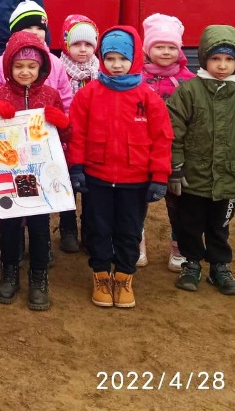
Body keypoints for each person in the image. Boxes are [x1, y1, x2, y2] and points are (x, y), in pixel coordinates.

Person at [67, 27, 172, 309]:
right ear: (102, 59)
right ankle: (101, 275)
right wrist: (76, 168)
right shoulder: (88, 94)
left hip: (134, 179)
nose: (116, 65)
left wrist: (159, 177)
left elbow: (162, 138)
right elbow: (76, 133)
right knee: (97, 227)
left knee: (129, 229)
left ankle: (124, 276)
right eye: (110, 58)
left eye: (122, 59)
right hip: (97, 177)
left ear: (135, 58)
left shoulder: (148, 98)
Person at [166, 26, 235, 296]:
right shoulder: (188, 92)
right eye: (215, 59)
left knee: (220, 225)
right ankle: (191, 264)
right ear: (203, 58)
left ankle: (219, 266)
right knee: (189, 223)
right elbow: (173, 132)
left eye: (229, 59)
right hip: (192, 176)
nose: (222, 65)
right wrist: (175, 168)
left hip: (229, 177)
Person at [0, 32, 71, 311]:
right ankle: (9, 272)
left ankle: (39, 277)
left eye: (31, 66)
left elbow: (67, 135)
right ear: (8, 68)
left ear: (42, 67)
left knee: (40, 228)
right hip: (8, 174)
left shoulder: (51, 95)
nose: (25, 71)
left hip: (41, 176)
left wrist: (61, 121)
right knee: (8, 226)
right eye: (18, 66)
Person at [141, 13, 195, 272]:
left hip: (175, 153)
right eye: (159, 46)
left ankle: (178, 246)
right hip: (141, 150)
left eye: (171, 47)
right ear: (147, 49)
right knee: (137, 200)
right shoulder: (136, 78)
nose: (165, 52)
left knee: (177, 202)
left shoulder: (189, 82)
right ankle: (136, 242)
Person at [57, 14, 100, 253]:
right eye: (76, 44)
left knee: (92, 187)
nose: (82, 49)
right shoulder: (58, 70)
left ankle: (90, 229)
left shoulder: (101, 71)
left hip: (93, 140)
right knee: (68, 186)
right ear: (66, 44)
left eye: (88, 44)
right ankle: (67, 228)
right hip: (67, 138)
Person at [0, 1, 73, 111]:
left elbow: (66, 101)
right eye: (28, 27)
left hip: (46, 125)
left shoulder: (56, 63)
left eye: (40, 28)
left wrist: (63, 121)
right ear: (15, 32)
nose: (35, 32)